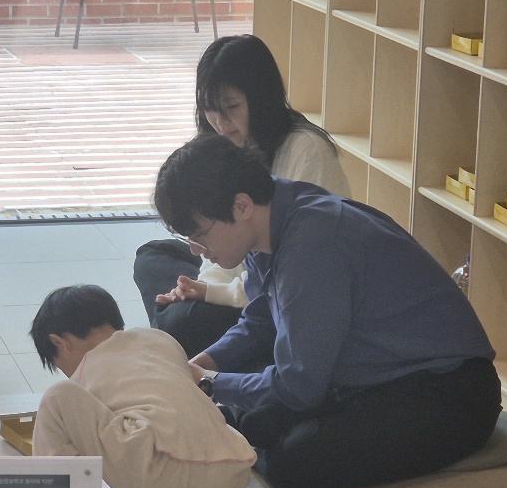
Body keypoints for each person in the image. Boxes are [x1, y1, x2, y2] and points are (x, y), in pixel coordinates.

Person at [153, 134, 501, 488]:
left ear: (241, 206)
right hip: (370, 376)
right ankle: (249, 427)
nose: (198, 250)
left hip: (446, 391)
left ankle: (251, 433)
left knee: (294, 464)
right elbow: (259, 322)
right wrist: (200, 365)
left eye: (200, 235)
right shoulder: (269, 217)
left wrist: (210, 384)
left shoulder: (314, 243)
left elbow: (299, 386)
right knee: (261, 421)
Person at [133, 34, 350, 358]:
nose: (220, 122)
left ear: (262, 98)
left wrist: (209, 293)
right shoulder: (219, 144)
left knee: (181, 323)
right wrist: (195, 289)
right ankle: (177, 332)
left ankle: (176, 337)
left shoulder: (306, 151)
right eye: (209, 109)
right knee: (153, 256)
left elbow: (302, 275)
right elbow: (220, 243)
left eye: (231, 107)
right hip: (233, 272)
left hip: (274, 296)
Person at [29, 284, 258, 488]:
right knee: (190, 421)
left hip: (160, 475)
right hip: (233, 475)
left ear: (61, 343)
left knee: (57, 398)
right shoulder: (161, 339)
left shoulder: (86, 367)